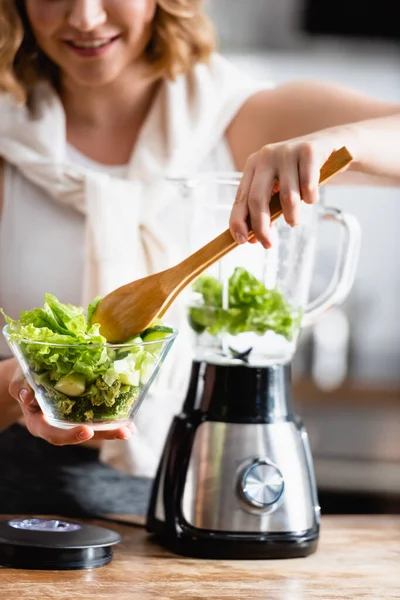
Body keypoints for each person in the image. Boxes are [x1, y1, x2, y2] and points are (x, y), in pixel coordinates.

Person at [0, 0, 399, 517]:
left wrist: (342, 140)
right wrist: (21, 384)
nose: (86, 18)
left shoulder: (241, 116)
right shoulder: (9, 142)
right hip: (22, 511)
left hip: (215, 487)